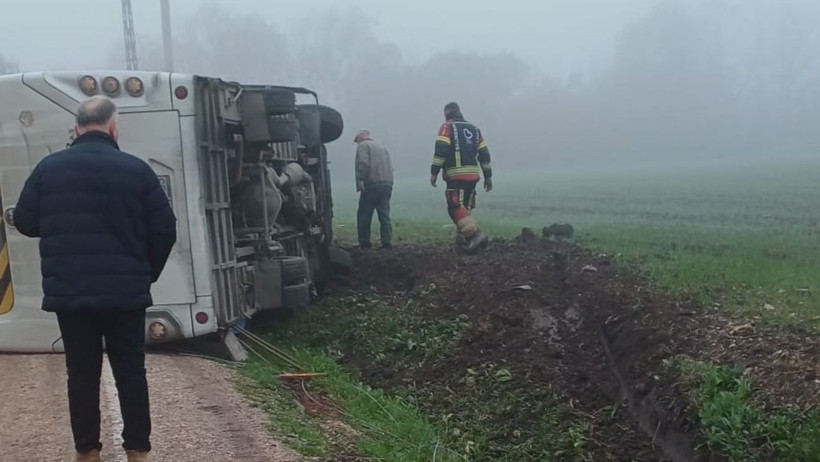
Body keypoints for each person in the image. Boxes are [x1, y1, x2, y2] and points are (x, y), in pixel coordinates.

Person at [13, 96, 177, 462]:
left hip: (71, 293)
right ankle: (137, 451)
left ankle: (87, 452)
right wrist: (144, 274)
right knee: (130, 372)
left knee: (81, 374)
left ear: (76, 128)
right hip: (126, 293)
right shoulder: (137, 170)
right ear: (113, 128)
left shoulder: (48, 168)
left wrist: (57, 223)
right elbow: (165, 229)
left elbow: (24, 220)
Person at [430, 102, 493, 253]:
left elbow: (441, 150)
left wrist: (434, 172)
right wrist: (488, 176)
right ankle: (465, 241)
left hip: (455, 174)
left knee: (455, 207)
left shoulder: (446, 127)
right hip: (473, 175)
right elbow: (484, 154)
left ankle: (474, 235)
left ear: (446, 114)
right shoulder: (474, 129)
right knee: (465, 207)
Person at [354, 129, 394, 249]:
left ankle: (364, 242)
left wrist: (361, 179)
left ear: (360, 138)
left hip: (372, 184)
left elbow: (363, 163)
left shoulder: (363, 145)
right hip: (387, 184)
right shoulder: (382, 147)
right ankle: (386, 242)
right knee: (384, 214)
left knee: (364, 214)